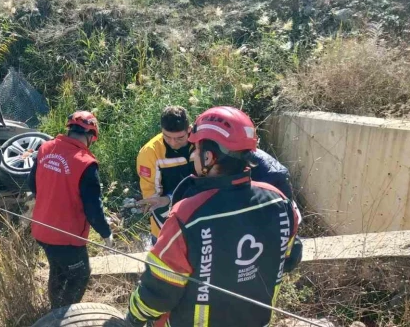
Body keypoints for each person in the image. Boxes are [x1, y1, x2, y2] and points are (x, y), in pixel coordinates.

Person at [126, 106, 301, 327]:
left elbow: (158, 291)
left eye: (196, 149)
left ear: (208, 157)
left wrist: (132, 318)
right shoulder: (281, 203)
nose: (192, 154)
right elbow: (290, 258)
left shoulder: (187, 216)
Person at [28, 111, 113, 309]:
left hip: (41, 229)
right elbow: (93, 208)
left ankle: (54, 309)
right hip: (66, 237)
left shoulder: (45, 148)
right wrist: (105, 232)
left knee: (57, 269)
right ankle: (62, 317)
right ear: (91, 136)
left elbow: (32, 184)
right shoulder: (86, 164)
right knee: (80, 275)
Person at [135, 106, 194, 241]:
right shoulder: (150, 153)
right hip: (164, 225)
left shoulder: (201, 143)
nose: (173, 143)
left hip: (201, 222)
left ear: (189, 130)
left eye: (179, 138)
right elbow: (153, 199)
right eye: (167, 137)